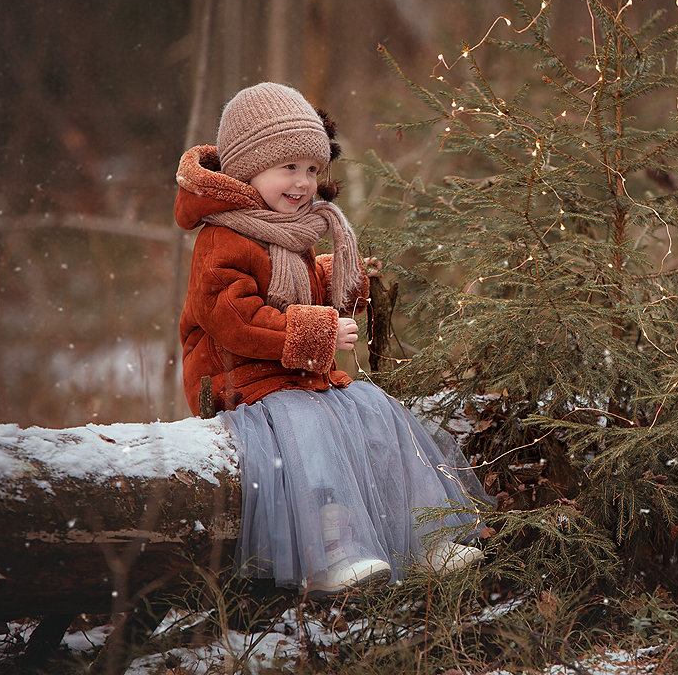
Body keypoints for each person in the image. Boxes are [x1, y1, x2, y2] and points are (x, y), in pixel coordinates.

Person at [174, 81, 487, 597]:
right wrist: (315, 331)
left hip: (296, 379)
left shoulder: (290, 226)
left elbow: (296, 289)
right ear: (247, 168)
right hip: (242, 384)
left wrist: (340, 277)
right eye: (288, 167)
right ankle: (329, 553)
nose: (303, 183)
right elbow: (234, 316)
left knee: (376, 414)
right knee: (311, 435)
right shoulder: (221, 236)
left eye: (313, 169)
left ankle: (425, 537)